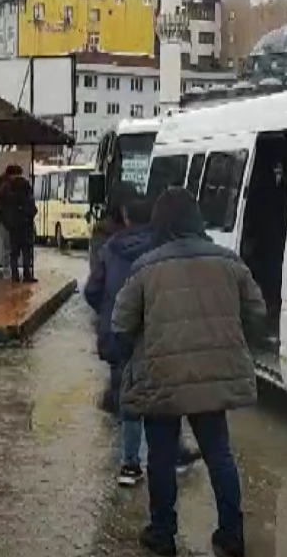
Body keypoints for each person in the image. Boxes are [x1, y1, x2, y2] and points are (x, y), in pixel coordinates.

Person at [111, 188, 266, 557]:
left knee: (161, 458)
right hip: (212, 380)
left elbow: (120, 324)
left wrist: (132, 355)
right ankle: (231, 535)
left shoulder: (146, 267)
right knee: (220, 455)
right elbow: (257, 314)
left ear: (160, 222)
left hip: (161, 378)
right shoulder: (229, 262)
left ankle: (163, 534)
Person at [85, 196, 201, 488]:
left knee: (128, 398)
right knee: (164, 395)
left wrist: (106, 311)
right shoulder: (164, 249)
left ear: (125, 217)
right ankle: (172, 456)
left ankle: (129, 464)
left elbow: (90, 290)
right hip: (154, 333)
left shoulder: (111, 247)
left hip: (117, 332)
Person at [0, 164, 38, 283]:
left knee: (14, 252)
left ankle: (14, 275)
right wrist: (29, 215)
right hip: (25, 224)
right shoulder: (24, 186)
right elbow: (31, 206)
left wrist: (9, 223)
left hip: (13, 226)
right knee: (25, 251)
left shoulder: (8, 187)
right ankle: (26, 275)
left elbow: (5, 208)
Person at [0, 172, 12, 279]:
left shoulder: (1, 189)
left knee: (6, 246)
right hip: (4, 222)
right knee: (7, 246)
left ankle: (7, 270)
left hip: (1, 221)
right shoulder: (5, 189)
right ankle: (6, 270)